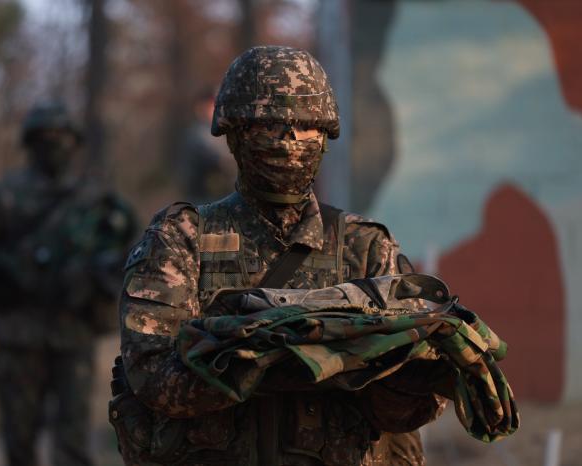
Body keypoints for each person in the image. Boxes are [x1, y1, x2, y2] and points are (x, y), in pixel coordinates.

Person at [111, 46, 444, 465]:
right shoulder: (182, 239)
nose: (289, 140)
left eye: (306, 126)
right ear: (234, 132)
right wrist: (275, 361)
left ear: (325, 135)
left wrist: (393, 372)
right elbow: (153, 378)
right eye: (269, 125)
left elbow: (412, 409)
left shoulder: (366, 247)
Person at [0, 101, 137, 466]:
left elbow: (136, 249)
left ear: (75, 142)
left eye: (61, 136)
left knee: (73, 437)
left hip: (74, 327)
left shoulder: (95, 197)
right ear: (30, 142)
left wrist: (102, 273)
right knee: (19, 437)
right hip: (19, 328)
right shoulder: (6, 195)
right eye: (44, 137)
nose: (53, 144)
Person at [178, 89, 237, 203]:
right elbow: (221, 160)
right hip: (204, 199)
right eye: (211, 106)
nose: (215, 110)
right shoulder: (199, 134)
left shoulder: (221, 132)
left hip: (218, 197)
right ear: (200, 108)